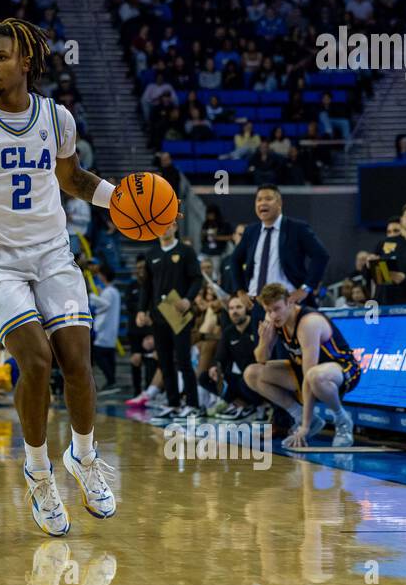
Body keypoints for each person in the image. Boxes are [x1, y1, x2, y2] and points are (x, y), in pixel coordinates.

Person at [0, 17, 116, 536]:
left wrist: (117, 199)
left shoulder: (56, 118)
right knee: (36, 360)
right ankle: (38, 471)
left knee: (78, 362)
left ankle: (83, 456)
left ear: (25, 63)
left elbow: (72, 178)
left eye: (0, 58)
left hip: (52, 252)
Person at [244, 282, 360, 449]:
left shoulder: (308, 323)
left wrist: (303, 429)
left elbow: (308, 375)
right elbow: (261, 359)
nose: (273, 315)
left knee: (315, 376)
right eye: (268, 311)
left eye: (277, 309)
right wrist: (264, 341)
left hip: (342, 369)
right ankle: (306, 418)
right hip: (308, 371)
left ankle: (342, 420)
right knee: (252, 373)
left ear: (290, 302)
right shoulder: (274, 320)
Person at [223, 185, 329, 318]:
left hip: (288, 303)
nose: (262, 203)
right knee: (261, 340)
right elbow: (235, 260)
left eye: (268, 199)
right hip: (259, 305)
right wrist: (240, 291)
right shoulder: (251, 231)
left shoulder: (297, 228)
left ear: (279, 203)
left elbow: (321, 255)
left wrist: (306, 288)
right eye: (259, 199)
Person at [141, 223, 203, 423]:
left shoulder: (185, 251)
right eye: (159, 226)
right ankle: (173, 403)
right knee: (165, 361)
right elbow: (146, 286)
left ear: (175, 227)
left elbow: (197, 279)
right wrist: (142, 310)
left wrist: (188, 299)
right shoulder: (152, 254)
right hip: (158, 315)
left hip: (178, 313)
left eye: (168, 226)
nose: (164, 229)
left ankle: (193, 404)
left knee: (184, 360)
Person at [89, 263, 121, 394]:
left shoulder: (109, 292)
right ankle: (111, 382)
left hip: (104, 330)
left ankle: (111, 381)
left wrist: (92, 296)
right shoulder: (113, 291)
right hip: (110, 330)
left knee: (100, 356)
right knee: (109, 357)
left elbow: (105, 304)